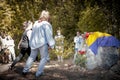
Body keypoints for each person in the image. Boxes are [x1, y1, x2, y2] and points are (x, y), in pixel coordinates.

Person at [22, 10, 55, 78]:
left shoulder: (36, 23)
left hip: (34, 43)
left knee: (31, 57)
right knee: (44, 58)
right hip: (42, 43)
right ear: (47, 16)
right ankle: (38, 73)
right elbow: (48, 35)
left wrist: (31, 43)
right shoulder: (46, 24)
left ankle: (25, 70)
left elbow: (33, 34)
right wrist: (51, 44)